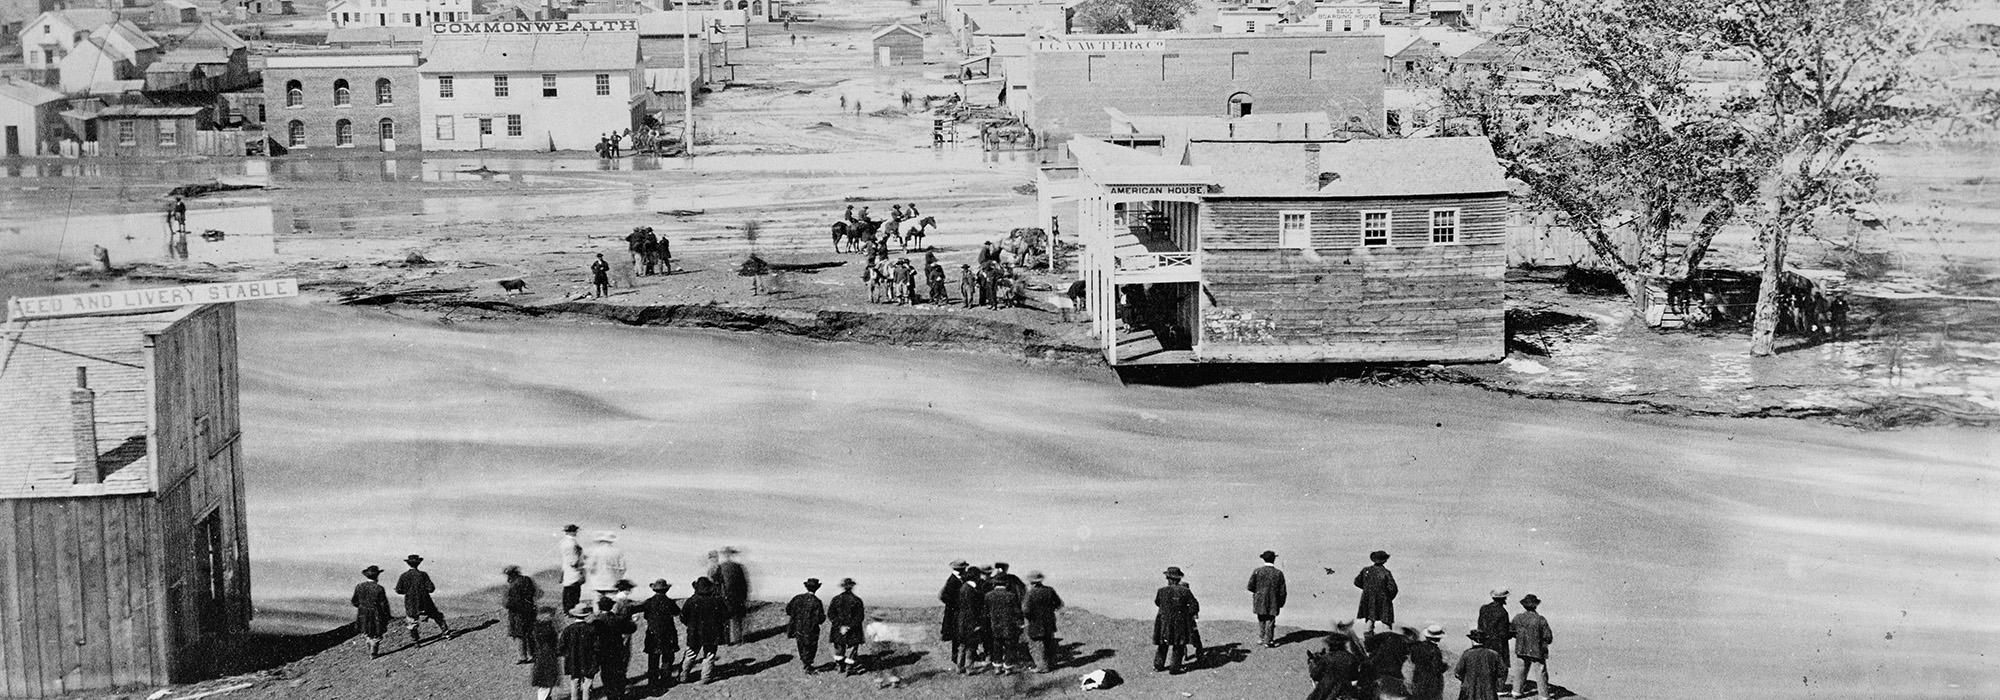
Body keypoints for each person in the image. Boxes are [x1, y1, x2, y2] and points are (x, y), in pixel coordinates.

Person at [680, 576, 729, 684]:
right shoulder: (717, 600)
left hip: (694, 632)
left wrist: (691, 625)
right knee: (709, 654)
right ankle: (706, 677)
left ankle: (684, 675)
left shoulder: (691, 601)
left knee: (691, 654)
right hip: (713, 633)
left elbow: (683, 617)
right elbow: (726, 615)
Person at [635, 579, 681, 687]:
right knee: (668, 657)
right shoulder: (670, 602)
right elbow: (677, 612)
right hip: (668, 633)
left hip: (653, 633)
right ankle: (666, 679)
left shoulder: (649, 602)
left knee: (653, 659)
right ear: (666, 590)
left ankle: (653, 681)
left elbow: (646, 616)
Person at [1152, 567, 1198, 674]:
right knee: (1179, 645)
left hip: (1164, 621)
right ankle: (1174, 668)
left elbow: (1157, 602)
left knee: (1163, 644)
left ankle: (1158, 666)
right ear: (1179, 579)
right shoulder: (1185, 591)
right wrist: (1186, 613)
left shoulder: (1161, 591)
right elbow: (1194, 605)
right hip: (1180, 621)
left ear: (1168, 578)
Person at [395, 554, 450, 643]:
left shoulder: (404, 576)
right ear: (418, 563)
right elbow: (431, 588)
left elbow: (398, 590)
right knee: (436, 615)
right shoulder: (423, 575)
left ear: (408, 564)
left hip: (411, 602)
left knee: (412, 621)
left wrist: (408, 591)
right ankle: (446, 632)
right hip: (425, 601)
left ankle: (416, 641)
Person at [594, 590, 637, 699]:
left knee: (606, 674)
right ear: (611, 607)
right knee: (619, 672)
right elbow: (632, 628)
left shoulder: (597, 621)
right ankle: (619, 692)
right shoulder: (618, 619)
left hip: (603, 651)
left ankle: (610, 694)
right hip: (617, 649)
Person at [1510, 594, 1553, 699]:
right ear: (1535, 606)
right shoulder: (1540, 619)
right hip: (1537, 650)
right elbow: (1548, 637)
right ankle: (1543, 695)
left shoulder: (1518, 618)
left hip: (1521, 648)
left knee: (1520, 670)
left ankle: (1516, 691)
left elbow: (1511, 631)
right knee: (1540, 671)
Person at [1022, 571, 1063, 673]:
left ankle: (1042, 666)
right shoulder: (1049, 590)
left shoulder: (1030, 593)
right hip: (1049, 620)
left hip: (1035, 622)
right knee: (1048, 642)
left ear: (1032, 582)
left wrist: (1029, 617)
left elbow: (1025, 609)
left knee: (1036, 645)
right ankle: (1051, 663)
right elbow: (1059, 604)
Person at [1305, 628, 1363, 700]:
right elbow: (1355, 676)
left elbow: (1315, 675)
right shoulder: (1351, 657)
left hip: (1328, 689)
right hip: (1347, 688)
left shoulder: (1326, 658)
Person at [559, 603, 601, 700]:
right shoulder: (591, 629)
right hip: (588, 660)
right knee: (587, 683)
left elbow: (561, 647)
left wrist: (568, 655)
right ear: (586, 615)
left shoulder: (568, 629)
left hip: (573, 660)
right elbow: (597, 646)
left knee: (574, 682)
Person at [985, 573, 1024, 674]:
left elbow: (985, 612)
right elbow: (1017, 612)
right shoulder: (1011, 596)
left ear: (994, 584)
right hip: (1008, 625)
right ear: (1006, 584)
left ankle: (997, 667)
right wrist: (1020, 622)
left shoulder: (988, 596)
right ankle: (1007, 667)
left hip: (994, 625)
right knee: (1009, 646)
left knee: (996, 646)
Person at [710, 547, 751, 644]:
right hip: (737, 597)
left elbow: (716, 582)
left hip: (725, 597)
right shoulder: (739, 567)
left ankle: (726, 640)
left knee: (725, 620)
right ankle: (737, 639)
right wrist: (744, 597)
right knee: (737, 619)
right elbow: (745, 584)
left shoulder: (721, 567)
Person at [786, 578, 827, 674]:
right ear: (817, 588)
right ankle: (807, 665)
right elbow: (820, 619)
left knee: (801, 644)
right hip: (811, 629)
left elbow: (788, 610)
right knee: (810, 647)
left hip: (798, 627)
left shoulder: (797, 598)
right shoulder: (817, 602)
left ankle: (805, 663)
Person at [1247, 550, 1287, 647]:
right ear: (1274, 559)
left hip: (1260, 599)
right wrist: (1281, 603)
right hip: (1274, 600)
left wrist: (1258, 593)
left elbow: (1250, 586)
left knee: (1261, 618)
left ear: (1263, 559)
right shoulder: (1279, 573)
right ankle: (1268, 640)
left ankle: (1262, 637)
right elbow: (1282, 591)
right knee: (1271, 619)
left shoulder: (1257, 571)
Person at [351, 565, 393, 657]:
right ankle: (373, 651)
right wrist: (387, 615)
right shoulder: (379, 588)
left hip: (363, 613)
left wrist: (362, 607)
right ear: (377, 576)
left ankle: (370, 642)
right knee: (376, 632)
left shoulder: (359, 586)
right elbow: (383, 604)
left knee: (366, 630)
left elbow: (354, 601)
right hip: (376, 613)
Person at [953, 567, 989, 674]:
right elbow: (972, 610)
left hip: (962, 622)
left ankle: (959, 667)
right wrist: (976, 624)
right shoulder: (971, 590)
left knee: (963, 645)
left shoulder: (963, 588)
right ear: (976, 576)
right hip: (970, 622)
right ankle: (969, 668)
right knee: (971, 646)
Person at [828, 577, 866, 675]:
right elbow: (860, 617)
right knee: (852, 648)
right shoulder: (857, 600)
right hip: (853, 630)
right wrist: (849, 627)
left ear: (843, 587)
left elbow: (831, 615)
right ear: (852, 587)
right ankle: (849, 667)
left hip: (838, 629)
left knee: (839, 647)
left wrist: (840, 626)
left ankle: (839, 666)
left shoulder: (836, 599)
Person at [504, 565, 540, 664]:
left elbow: (510, 602)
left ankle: (523, 657)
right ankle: (534, 654)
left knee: (519, 635)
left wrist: (507, 604)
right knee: (529, 633)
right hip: (529, 610)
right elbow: (535, 592)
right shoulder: (527, 579)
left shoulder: (514, 585)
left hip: (518, 613)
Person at [1455, 630, 1506, 700]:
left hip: (1469, 692)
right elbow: (1502, 671)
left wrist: (1466, 680)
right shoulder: (1494, 654)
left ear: (1472, 641)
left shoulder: (1467, 654)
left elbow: (1458, 673)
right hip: (1489, 691)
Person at [1355, 550, 1397, 633]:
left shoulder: (1366, 571)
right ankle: (1387, 644)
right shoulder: (1386, 572)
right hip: (1384, 600)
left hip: (1369, 599)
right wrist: (1388, 598)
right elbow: (1393, 589)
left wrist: (1368, 590)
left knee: (1370, 621)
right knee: (1386, 624)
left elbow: (1357, 582)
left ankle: (1368, 643)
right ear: (1384, 560)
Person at [1365, 625, 1413, 697]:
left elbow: (1368, 647)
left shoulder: (1384, 636)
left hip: (1376, 670)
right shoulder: (1406, 642)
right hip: (1393, 673)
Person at [528, 606, 562, 700]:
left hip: (540, 656)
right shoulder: (548, 628)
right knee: (546, 684)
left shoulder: (536, 627)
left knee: (544, 684)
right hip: (548, 656)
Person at [1409, 624, 1449, 700]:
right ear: (1438, 639)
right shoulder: (1435, 651)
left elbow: (1413, 660)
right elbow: (1437, 668)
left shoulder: (1418, 647)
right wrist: (1445, 666)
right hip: (1431, 683)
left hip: (1418, 679)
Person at [584, 532, 626, 602]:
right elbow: (623, 568)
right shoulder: (618, 552)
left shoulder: (595, 551)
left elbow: (590, 567)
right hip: (612, 583)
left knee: (597, 603)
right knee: (610, 603)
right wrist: (618, 578)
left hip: (597, 583)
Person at [1477, 589, 1514, 668]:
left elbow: (1480, 626)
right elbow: (1503, 633)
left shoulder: (1484, 608)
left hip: (1484, 643)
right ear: (1503, 599)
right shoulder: (1503, 612)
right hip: (1498, 645)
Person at [557, 524, 585, 613]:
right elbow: (573, 561)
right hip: (574, 572)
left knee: (568, 593)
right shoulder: (572, 543)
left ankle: (567, 611)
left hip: (567, 571)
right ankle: (571, 611)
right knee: (574, 594)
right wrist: (581, 569)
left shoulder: (563, 542)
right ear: (573, 531)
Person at [939, 559, 967, 648]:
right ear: (961, 569)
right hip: (954, 607)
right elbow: (946, 596)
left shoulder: (956, 578)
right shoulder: (953, 581)